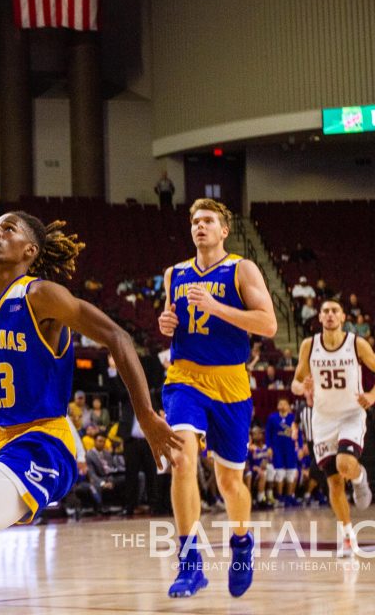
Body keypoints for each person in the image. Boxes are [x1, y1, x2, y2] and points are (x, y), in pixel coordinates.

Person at [0, 212, 179, 615]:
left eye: (9, 229)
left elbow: (117, 336)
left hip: (46, 443)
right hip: (0, 442)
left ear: (30, 250)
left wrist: (144, 413)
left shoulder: (41, 295)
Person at [157, 198, 278, 598]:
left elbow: (268, 323)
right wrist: (166, 322)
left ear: (224, 230)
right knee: (181, 458)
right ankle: (190, 564)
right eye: (195, 221)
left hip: (230, 384)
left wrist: (216, 306)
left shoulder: (241, 268)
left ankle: (242, 544)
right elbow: (170, 321)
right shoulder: (174, 273)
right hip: (184, 378)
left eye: (208, 220)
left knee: (230, 482)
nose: (200, 226)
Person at [292, 299, 375, 555]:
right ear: (320, 317)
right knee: (334, 483)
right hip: (323, 419)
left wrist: (372, 395)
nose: (329, 315)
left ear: (343, 317)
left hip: (350, 414)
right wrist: (302, 388)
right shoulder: (309, 345)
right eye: (325, 311)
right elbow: (295, 382)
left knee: (344, 464)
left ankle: (360, 477)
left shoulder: (356, 344)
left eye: (334, 311)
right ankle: (348, 536)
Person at [264, 398, 299, 505]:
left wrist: (300, 446)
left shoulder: (293, 418)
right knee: (279, 472)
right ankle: (279, 497)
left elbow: (299, 433)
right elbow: (267, 433)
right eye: (280, 403)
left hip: (290, 448)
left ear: (289, 406)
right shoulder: (272, 418)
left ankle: (289, 496)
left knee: (291, 472)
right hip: (277, 448)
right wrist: (269, 447)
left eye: (284, 403)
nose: (282, 405)